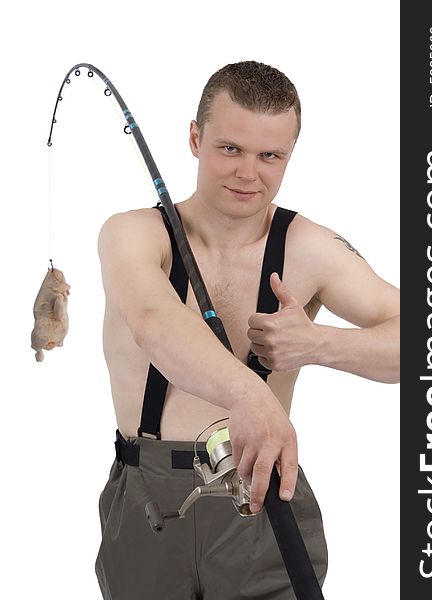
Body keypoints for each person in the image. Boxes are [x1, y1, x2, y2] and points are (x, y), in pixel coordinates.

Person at [94, 61, 400, 600]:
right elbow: (154, 323)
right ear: (195, 137)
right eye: (230, 149)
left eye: (270, 156)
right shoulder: (133, 234)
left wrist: (319, 344)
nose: (248, 174)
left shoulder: (310, 248)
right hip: (148, 499)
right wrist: (249, 394)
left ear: (289, 156)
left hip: (260, 497)